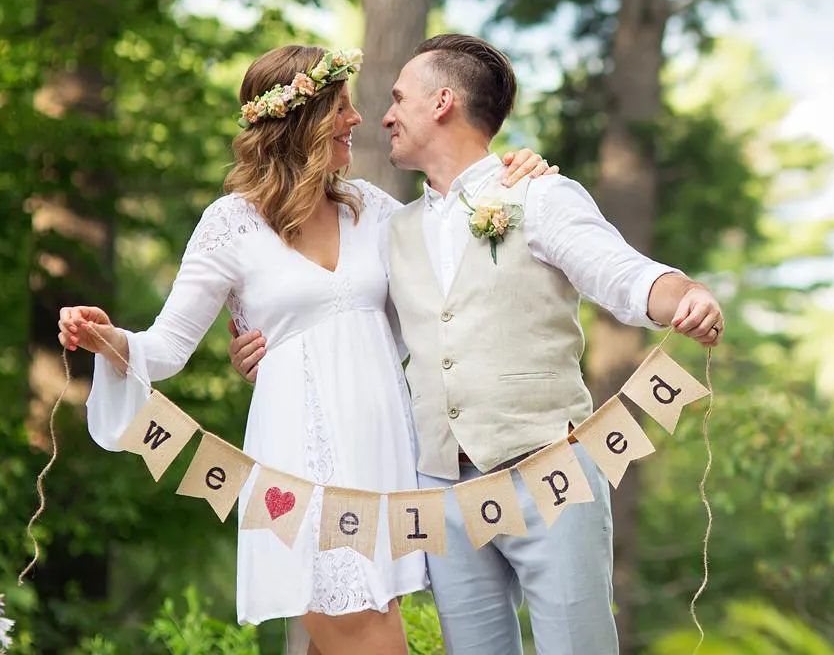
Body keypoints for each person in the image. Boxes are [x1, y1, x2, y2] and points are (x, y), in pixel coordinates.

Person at [230, 33, 725, 655]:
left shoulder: (539, 194)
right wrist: (268, 349)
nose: (383, 116)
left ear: (443, 102)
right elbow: (343, 321)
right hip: (442, 494)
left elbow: (623, 274)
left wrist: (686, 295)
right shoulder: (389, 227)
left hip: (552, 474)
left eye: (398, 98)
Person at [56, 44, 554, 655]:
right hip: (301, 475)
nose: (358, 119)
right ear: (302, 120)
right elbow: (165, 348)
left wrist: (513, 175)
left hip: (384, 471)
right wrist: (111, 340)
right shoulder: (230, 224)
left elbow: (447, 274)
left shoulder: (374, 210)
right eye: (341, 107)